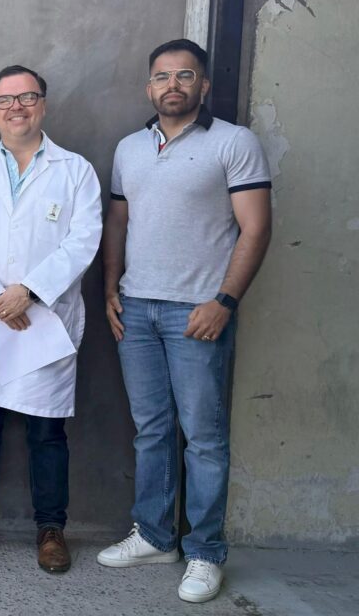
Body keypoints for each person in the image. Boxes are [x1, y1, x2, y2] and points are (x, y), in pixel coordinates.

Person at [97, 39, 272, 603]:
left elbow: (256, 228)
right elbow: (117, 223)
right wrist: (110, 290)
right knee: (151, 429)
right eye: (162, 76)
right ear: (149, 86)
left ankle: (205, 552)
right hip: (136, 310)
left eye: (185, 75)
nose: (172, 85)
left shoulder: (234, 143)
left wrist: (224, 301)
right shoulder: (129, 148)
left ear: (203, 85)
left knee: (204, 438)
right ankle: (154, 536)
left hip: (198, 312)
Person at [0, 64, 102, 573]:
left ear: (43, 105)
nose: (16, 107)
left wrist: (29, 291)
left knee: (46, 431)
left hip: (44, 319)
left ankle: (51, 528)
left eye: (27, 97)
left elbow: (84, 239)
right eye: (5, 100)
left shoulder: (75, 170)